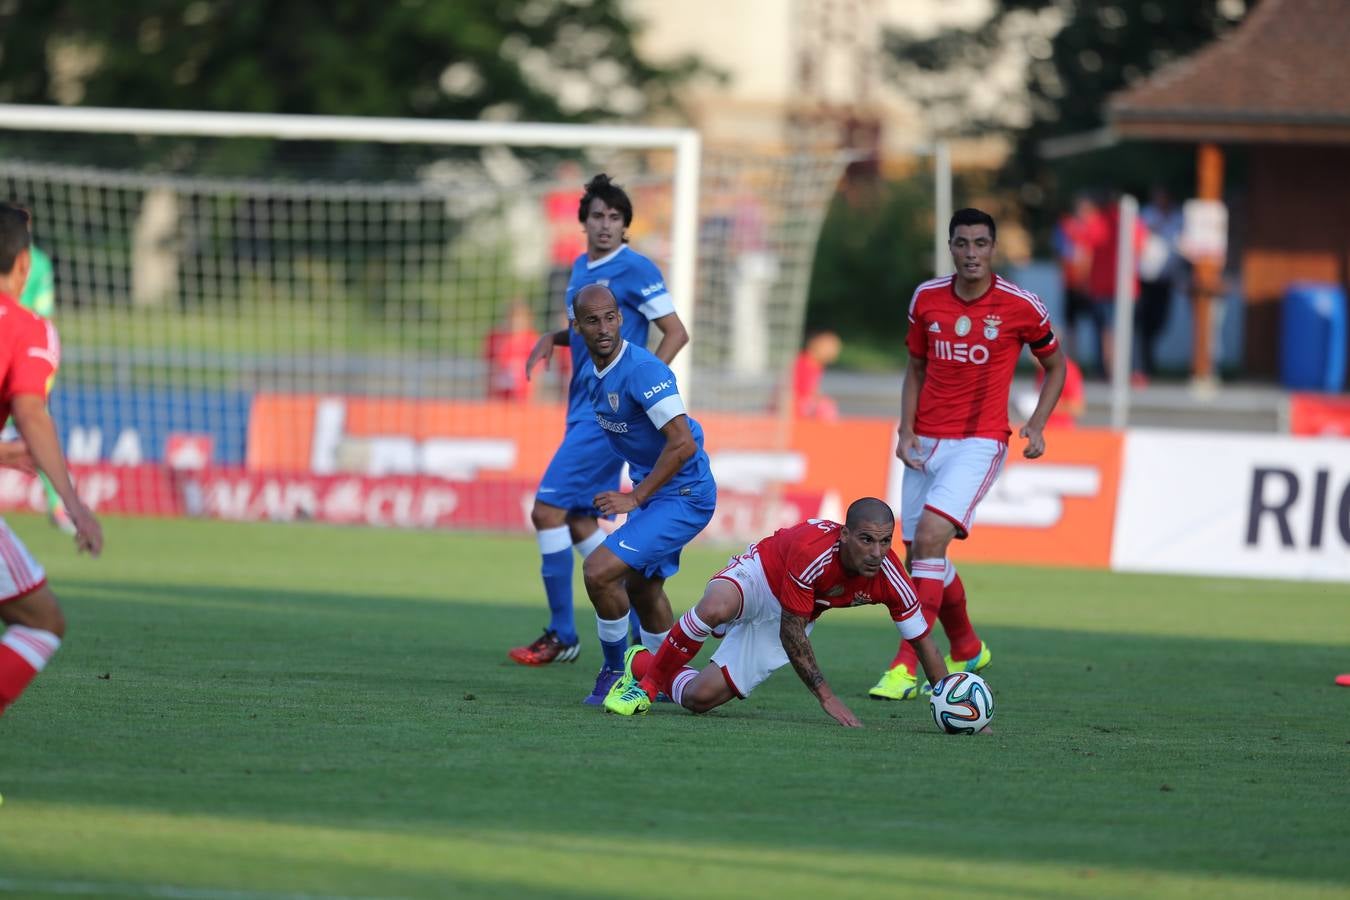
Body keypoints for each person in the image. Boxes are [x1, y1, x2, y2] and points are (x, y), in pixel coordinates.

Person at [869, 208, 1066, 701]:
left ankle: (905, 667)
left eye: (981, 243)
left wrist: (1037, 424)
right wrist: (905, 430)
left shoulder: (1022, 306)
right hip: (924, 442)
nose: (971, 253)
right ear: (951, 247)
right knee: (919, 556)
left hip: (980, 441)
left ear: (992, 248)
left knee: (932, 538)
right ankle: (967, 645)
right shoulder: (927, 298)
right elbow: (915, 367)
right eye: (962, 243)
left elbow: (1056, 366)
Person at [508, 176, 690, 698]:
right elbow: (590, 327)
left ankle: (564, 634)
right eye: (597, 216)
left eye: (615, 217)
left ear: (625, 224)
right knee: (583, 516)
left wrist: (642, 387)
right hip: (582, 406)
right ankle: (626, 606)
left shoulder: (636, 268)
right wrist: (554, 337)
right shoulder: (580, 268)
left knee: (547, 512)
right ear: (584, 221)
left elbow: (675, 331)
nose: (605, 225)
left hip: (607, 413)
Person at [602, 498, 949, 725]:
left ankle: (641, 662)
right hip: (761, 577)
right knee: (715, 607)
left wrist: (951, 699)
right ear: (844, 535)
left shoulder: (891, 576)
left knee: (698, 699)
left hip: (791, 615)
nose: (877, 551)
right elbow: (791, 632)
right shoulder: (812, 552)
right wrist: (826, 697)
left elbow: (923, 641)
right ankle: (646, 689)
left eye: (885, 541)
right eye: (866, 539)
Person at [570, 283, 715, 705]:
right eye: (592, 320)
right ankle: (664, 676)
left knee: (599, 572)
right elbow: (626, 437)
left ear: (621, 319)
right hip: (655, 492)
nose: (604, 327)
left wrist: (636, 498)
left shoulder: (644, 371)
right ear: (577, 325)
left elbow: (682, 443)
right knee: (644, 588)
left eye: (610, 317)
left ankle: (616, 671)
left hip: (684, 494)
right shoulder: (590, 374)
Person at [0, 203, 103, 717]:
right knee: (41, 622)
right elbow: (31, 410)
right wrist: (74, 504)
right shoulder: (27, 330)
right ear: (24, 265)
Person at [11, 243, 74, 534]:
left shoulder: (39, 263)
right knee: (35, 425)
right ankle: (64, 502)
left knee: (35, 425)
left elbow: (43, 311)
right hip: (19, 351)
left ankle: (57, 504)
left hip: (21, 354)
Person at [1136, 186, 1185, 381]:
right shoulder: (1146, 214)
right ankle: (1144, 365)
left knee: (1160, 321)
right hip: (1145, 278)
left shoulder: (1177, 217)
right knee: (1143, 323)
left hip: (1165, 279)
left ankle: (1148, 360)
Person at [483, 299, 539, 402]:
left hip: (521, 398)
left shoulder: (532, 340)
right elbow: (488, 369)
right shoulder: (494, 337)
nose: (515, 322)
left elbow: (535, 374)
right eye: (512, 317)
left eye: (519, 318)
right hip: (498, 396)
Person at [792, 328, 842, 421]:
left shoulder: (816, 365)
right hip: (794, 407)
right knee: (826, 408)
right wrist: (820, 399)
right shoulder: (804, 363)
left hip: (799, 403)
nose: (834, 352)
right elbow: (804, 390)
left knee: (826, 405)